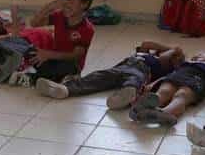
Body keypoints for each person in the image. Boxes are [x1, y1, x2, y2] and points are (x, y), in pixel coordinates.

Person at [127, 0, 205, 126]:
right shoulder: (186, 64)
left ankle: (164, 113)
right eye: (197, 55)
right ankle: (145, 108)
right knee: (164, 91)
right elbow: (166, 74)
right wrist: (151, 86)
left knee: (182, 95)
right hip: (178, 75)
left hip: (199, 79)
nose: (199, 55)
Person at [0, 0, 95, 88]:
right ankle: (22, 68)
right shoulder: (60, 15)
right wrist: (49, 7)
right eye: (64, 1)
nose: (66, 5)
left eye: (71, 1)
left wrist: (49, 54)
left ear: (84, 4)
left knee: (67, 67)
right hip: (51, 58)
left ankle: (30, 77)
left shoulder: (87, 28)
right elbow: (34, 23)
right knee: (21, 46)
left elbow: (75, 55)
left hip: (69, 64)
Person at [37, 40, 185, 108]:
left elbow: (165, 59)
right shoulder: (148, 54)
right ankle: (65, 89)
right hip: (122, 67)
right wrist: (171, 47)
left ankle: (125, 95)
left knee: (135, 79)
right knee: (98, 76)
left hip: (141, 70)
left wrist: (175, 52)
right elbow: (146, 43)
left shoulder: (166, 66)